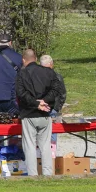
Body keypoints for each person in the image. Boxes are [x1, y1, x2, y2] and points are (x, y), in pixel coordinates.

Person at [16, 49, 60, 177]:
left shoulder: (21, 74)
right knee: (45, 146)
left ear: (24, 60)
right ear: (35, 58)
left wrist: (36, 103)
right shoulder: (48, 72)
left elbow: (21, 94)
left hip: (29, 114)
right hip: (45, 114)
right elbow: (56, 89)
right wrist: (44, 101)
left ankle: (33, 175)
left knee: (29, 145)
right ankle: (47, 174)